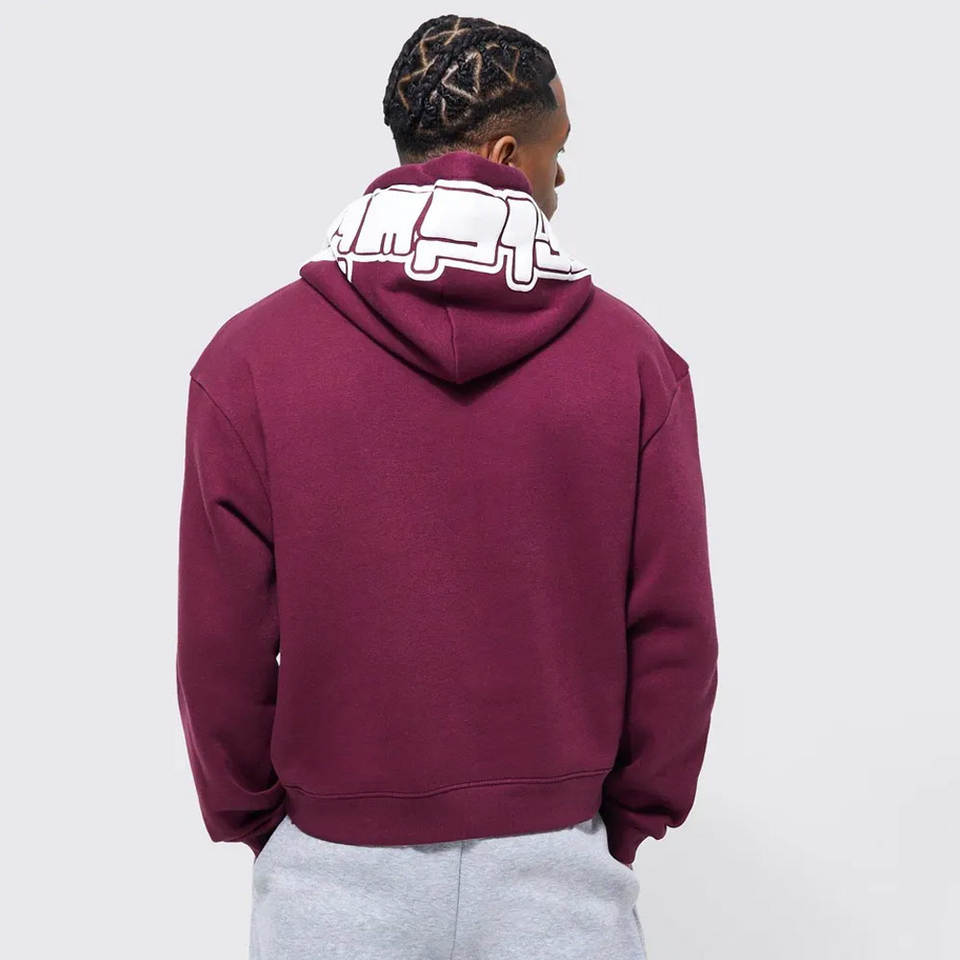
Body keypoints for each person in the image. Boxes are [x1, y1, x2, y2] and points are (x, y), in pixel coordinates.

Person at [176, 13, 719, 960]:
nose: (561, 179)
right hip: (558, 872)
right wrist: (620, 824)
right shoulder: (631, 360)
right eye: (558, 153)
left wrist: (267, 825)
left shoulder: (250, 359)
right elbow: (674, 631)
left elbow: (220, 644)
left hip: (332, 876)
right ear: (507, 155)